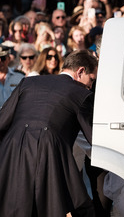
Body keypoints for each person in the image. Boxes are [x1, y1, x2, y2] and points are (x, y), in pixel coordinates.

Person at [0, 50, 98, 217]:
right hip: (48, 152)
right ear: (80, 71)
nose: (90, 86)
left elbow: (2, 120)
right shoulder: (81, 93)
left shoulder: (28, 82)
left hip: (12, 148)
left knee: (13, 206)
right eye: (91, 80)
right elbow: (94, 137)